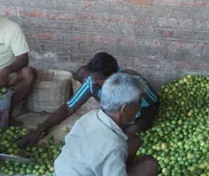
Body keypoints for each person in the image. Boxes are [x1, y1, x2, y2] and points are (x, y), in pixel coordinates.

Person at [51, 73, 160, 176]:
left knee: (134, 140)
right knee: (149, 165)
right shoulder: (111, 145)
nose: (139, 108)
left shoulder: (90, 117)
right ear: (125, 109)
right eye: (138, 103)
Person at [19, 52, 158, 148]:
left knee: (130, 134)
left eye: (100, 80)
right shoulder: (93, 81)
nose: (95, 82)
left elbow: (150, 107)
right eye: (93, 78)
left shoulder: (132, 84)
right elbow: (68, 107)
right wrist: (39, 130)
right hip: (118, 113)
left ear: (113, 76)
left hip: (142, 111)